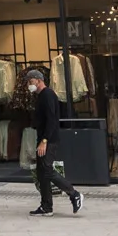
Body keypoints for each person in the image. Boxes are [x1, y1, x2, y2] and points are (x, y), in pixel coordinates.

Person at [25, 68, 82, 216]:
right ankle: (46, 206)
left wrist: (44, 140)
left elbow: (52, 120)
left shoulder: (48, 95)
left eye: (31, 81)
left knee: (47, 170)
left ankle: (74, 194)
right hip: (43, 138)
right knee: (41, 173)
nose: (29, 85)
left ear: (39, 80)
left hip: (48, 140)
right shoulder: (41, 96)